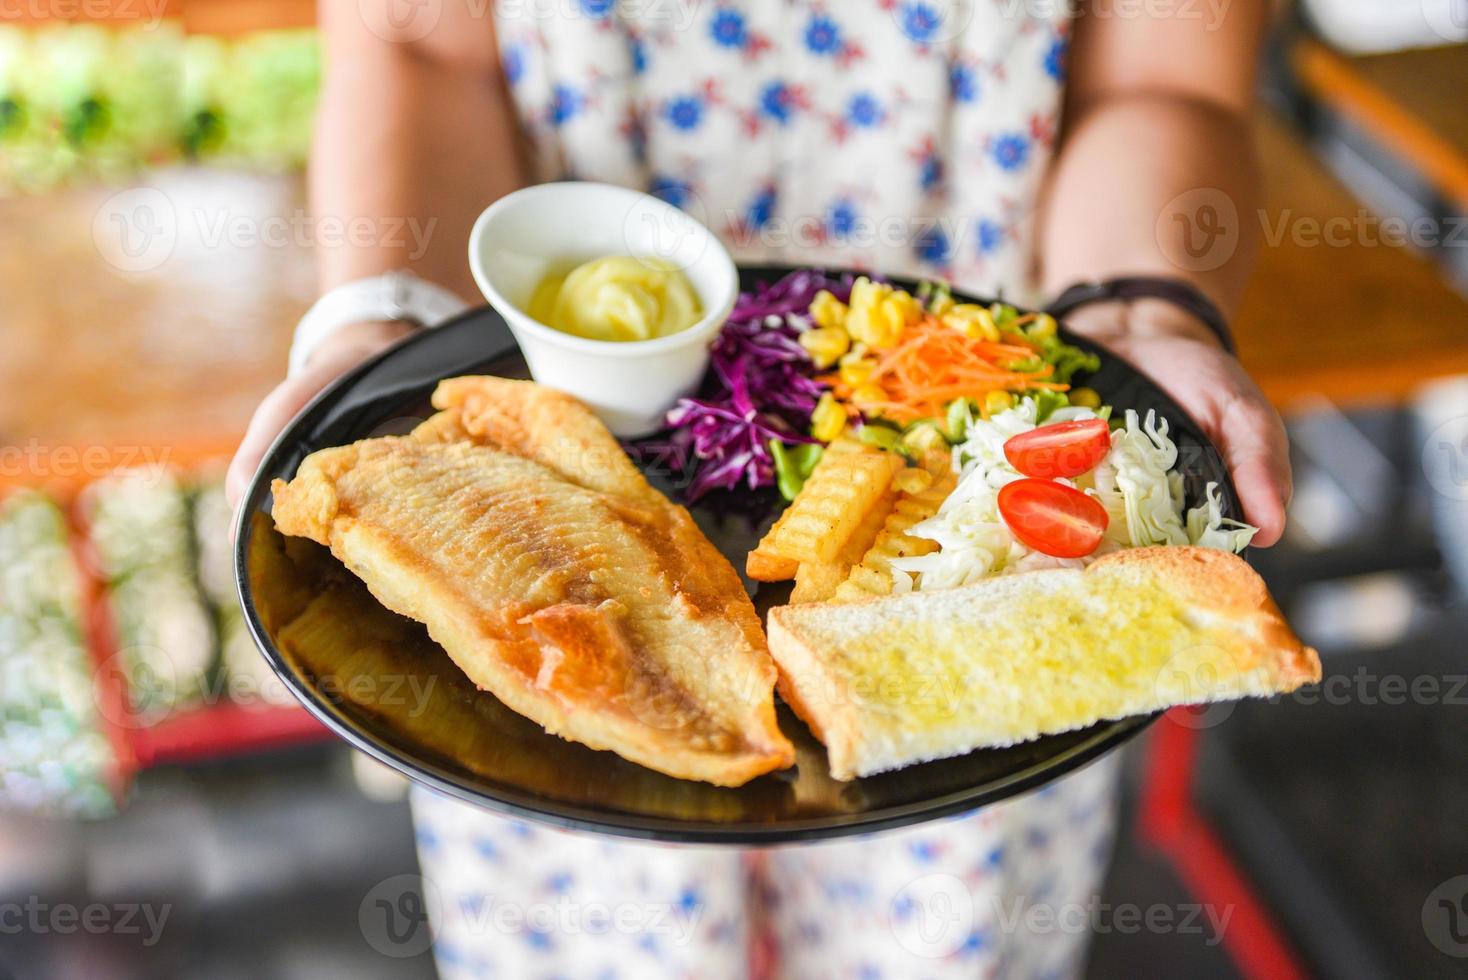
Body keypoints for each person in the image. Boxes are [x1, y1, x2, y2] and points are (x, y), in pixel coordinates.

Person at [228, 2, 1290, 976]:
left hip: (982, 476)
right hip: (537, 490)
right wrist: (382, 325)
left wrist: (1141, 313)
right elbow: (415, 43)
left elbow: (1165, 77)